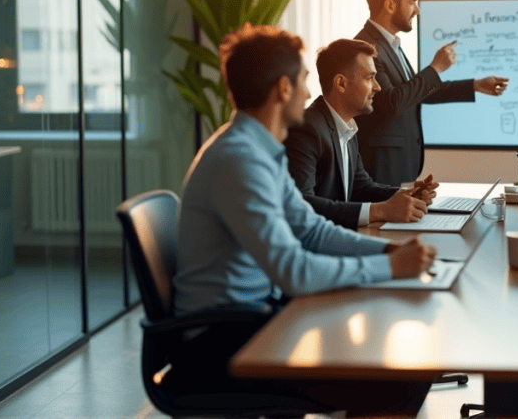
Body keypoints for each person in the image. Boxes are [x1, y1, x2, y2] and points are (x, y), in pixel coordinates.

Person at [172, 23, 437, 417]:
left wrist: (388, 250)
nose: (310, 92)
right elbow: (293, 271)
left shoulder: (259, 150)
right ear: (283, 89)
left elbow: (312, 230)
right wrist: (387, 266)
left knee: (389, 361)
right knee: (401, 377)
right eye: (303, 81)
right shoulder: (240, 161)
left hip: (258, 318)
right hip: (223, 343)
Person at [354, 0, 510, 186]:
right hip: (383, 165)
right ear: (390, 5)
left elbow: (415, 93)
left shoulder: (391, 45)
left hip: (398, 163)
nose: (417, 10)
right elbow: (392, 102)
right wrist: (435, 68)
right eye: (412, 2)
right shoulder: (366, 48)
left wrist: (475, 85)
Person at [285, 38, 441, 230]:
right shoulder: (307, 129)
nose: (378, 87)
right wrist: (381, 211)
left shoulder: (346, 125)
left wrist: (407, 193)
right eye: (369, 78)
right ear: (341, 83)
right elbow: (302, 204)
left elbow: (361, 187)